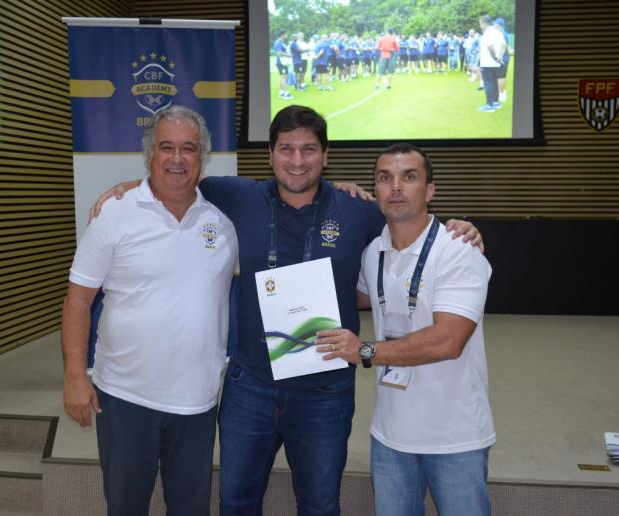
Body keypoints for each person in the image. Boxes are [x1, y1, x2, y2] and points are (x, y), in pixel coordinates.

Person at [90, 106, 484, 516]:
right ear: (271, 155)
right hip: (250, 387)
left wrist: (462, 227)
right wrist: (127, 188)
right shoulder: (236, 196)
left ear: (326, 155)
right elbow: (177, 177)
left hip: (324, 392)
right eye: (286, 149)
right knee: (237, 502)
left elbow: (409, 221)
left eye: (309, 150)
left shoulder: (359, 210)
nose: (297, 161)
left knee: (318, 505)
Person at [61, 106, 239, 516]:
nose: (177, 159)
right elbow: (77, 300)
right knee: (125, 507)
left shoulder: (224, 218)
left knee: (191, 509)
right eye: (167, 148)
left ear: (202, 157)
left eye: (188, 149)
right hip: (124, 399)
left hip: (197, 403)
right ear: (150, 155)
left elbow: (288, 192)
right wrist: (74, 376)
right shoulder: (114, 214)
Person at [316, 143, 494, 516]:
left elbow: (449, 340)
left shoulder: (458, 249)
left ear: (429, 190)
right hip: (390, 436)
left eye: (409, 177)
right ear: (375, 191)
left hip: (454, 437)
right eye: (385, 178)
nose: (396, 187)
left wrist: (365, 351)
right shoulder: (373, 252)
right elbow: (356, 297)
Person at [478, 15, 506, 112]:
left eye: (480, 23)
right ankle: (496, 102)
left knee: (488, 83)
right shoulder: (498, 32)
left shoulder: (487, 33)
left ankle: (489, 105)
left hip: (487, 62)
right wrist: (499, 57)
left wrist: (495, 58)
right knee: (494, 82)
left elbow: (490, 47)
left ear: (484, 23)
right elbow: (503, 45)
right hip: (496, 63)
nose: (480, 26)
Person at [273, 30, 293, 99]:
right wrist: (288, 55)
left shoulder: (282, 42)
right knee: (284, 77)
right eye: (286, 34)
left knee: (283, 77)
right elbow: (279, 53)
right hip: (281, 63)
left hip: (283, 62)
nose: (286, 36)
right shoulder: (278, 43)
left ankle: (281, 92)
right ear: (282, 35)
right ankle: (286, 93)